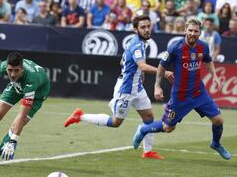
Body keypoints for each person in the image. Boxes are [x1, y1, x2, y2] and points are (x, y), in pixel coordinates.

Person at [64, 15, 174, 160]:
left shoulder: (138, 43)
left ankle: (148, 151)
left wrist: (139, 74)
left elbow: (123, 63)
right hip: (126, 90)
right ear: (136, 29)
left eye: (148, 26)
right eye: (143, 27)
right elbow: (141, 65)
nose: (147, 30)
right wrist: (163, 73)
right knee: (116, 122)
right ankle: (80, 116)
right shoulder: (137, 45)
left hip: (137, 88)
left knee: (149, 117)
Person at [132, 18, 232, 160]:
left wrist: (214, 75)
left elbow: (208, 60)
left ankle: (215, 144)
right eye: (190, 30)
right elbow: (161, 67)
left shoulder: (203, 46)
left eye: (195, 31)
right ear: (185, 30)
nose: (192, 33)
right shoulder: (175, 47)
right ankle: (143, 129)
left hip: (199, 93)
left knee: (218, 120)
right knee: (168, 128)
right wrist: (157, 86)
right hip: (180, 97)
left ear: (200, 33)